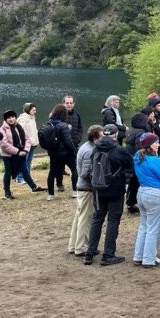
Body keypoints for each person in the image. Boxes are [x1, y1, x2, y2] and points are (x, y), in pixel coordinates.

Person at [84, 124, 133, 266]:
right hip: (115, 190)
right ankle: (108, 255)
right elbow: (130, 166)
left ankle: (89, 253)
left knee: (97, 220)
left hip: (98, 190)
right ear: (116, 135)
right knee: (113, 221)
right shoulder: (119, 150)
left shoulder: (95, 148)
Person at [133, 132, 160, 267]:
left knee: (144, 226)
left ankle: (138, 256)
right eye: (156, 142)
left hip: (142, 193)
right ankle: (149, 259)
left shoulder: (137, 157)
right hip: (155, 195)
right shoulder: (156, 161)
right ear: (150, 145)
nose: (158, 144)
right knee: (154, 228)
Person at [69, 125, 103, 257]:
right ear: (95, 138)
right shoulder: (90, 151)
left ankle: (73, 246)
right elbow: (85, 173)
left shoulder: (85, 147)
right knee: (85, 218)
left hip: (82, 188)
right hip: (87, 189)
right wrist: (98, 182)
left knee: (79, 216)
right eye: (101, 137)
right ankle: (81, 248)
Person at [0, 110, 44, 198]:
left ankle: (34, 187)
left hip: (21, 153)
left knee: (25, 170)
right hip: (8, 155)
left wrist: (26, 150)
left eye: (13, 117)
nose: (11, 119)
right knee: (8, 172)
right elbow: (4, 144)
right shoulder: (2, 129)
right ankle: (7, 192)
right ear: (5, 119)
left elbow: (27, 139)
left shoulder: (19, 126)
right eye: (9, 118)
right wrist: (18, 152)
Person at [45, 104, 77, 200]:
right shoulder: (63, 125)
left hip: (53, 153)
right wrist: (74, 151)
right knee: (74, 170)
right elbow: (68, 141)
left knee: (52, 172)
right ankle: (75, 191)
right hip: (66, 153)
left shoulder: (48, 124)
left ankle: (51, 194)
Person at [16, 103, 38, 184]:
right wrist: (29, 141)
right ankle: (20, 178)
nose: (35, 111)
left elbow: (34, 131)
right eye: (33, 110)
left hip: (32, 144)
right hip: (26, 144)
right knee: (23, 161)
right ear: (28, 110)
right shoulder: (23, 119)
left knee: (29, 161)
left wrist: (35, 141)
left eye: (35, 110)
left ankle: (27, 177)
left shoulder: (32, 118)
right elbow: (22, 133)